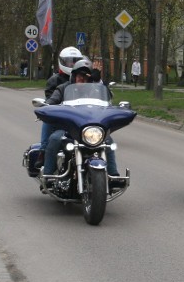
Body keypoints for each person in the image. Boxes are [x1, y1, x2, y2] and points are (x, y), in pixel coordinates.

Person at [41, 58, 123, 186]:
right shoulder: (63, 88)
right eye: (80, 75)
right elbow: (53, 100)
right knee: (55, 138)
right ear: (74, 76)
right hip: (68, 129)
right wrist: (48, 105)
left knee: (108, 141)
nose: (82, 79)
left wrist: (98, 81)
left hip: (89, 130)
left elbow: (108, 98)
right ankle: (48, 177)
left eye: (86, 76)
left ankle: (113, 177)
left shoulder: (95, 90)